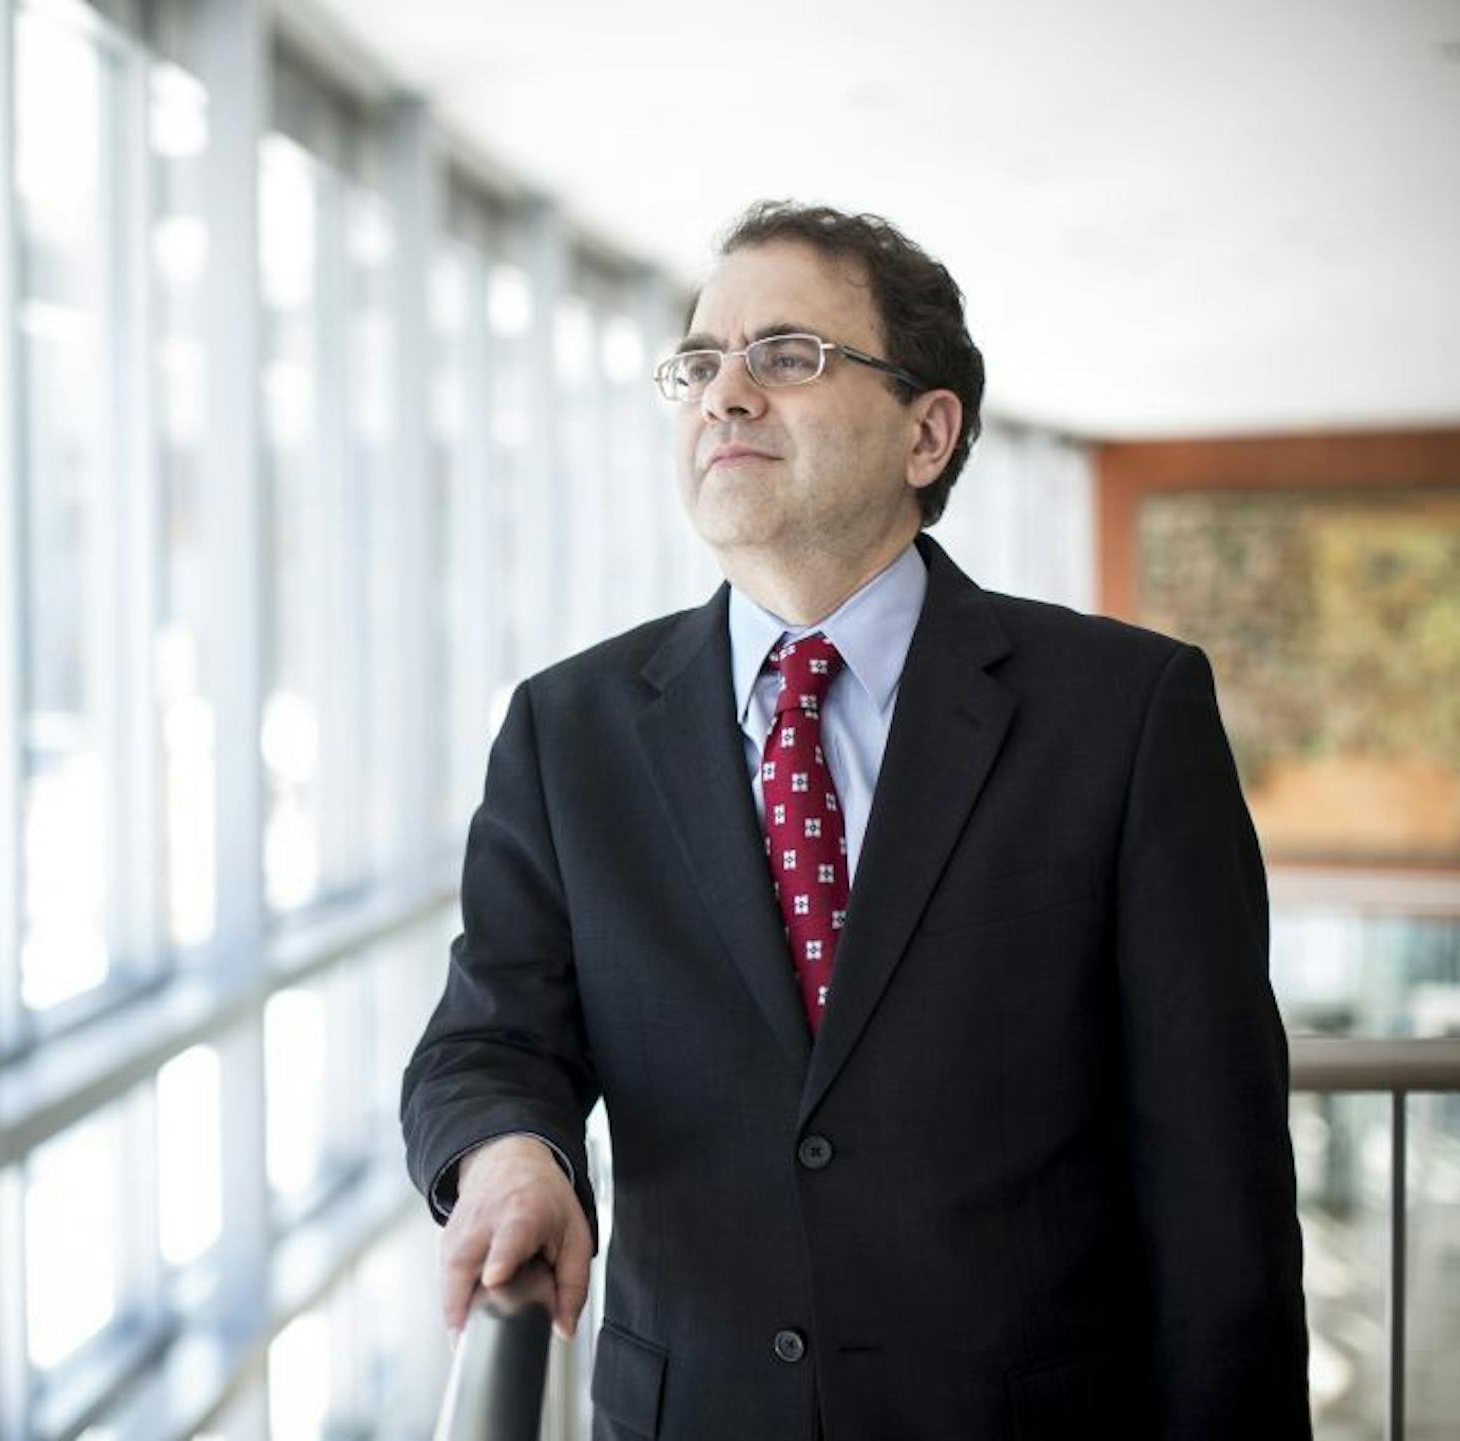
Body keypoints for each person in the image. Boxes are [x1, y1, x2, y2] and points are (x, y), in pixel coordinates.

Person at [400, 200, 1310, 1439]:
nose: (725, 395)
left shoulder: (1126, 714)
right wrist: (515, 1151)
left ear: (927, 433)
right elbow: (488, 1038)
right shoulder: (568, 732)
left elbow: (1217, 1178)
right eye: (699, 363)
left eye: (787, 356)